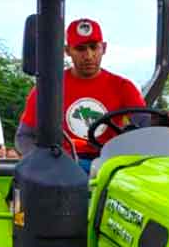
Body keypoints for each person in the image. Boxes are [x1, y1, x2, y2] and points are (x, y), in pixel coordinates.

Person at [16, 18, 147, 172]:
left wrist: (162, 122)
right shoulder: (48, 88)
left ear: (103, 48)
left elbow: (146, 126)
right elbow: (24, 137)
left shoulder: (123, 87)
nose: (88, 55)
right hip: (62, 165)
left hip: (109, 166)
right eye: (80, 48)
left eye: (94, 47)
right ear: (67, 51)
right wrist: (45, 163)